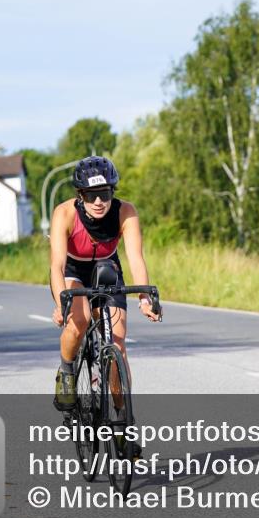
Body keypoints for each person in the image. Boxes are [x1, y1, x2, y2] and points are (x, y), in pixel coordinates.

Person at [50, 156, 160, 412]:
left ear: (113, 191)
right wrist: (61, 304)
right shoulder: (64, 213)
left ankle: (122, 418)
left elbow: (136, 258)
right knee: (79, 321)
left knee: (117, 344)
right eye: (91, 195)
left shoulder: (126, 212)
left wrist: (144, 299)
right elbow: (56, 265)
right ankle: (67, 372)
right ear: (80, 195)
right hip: (73, 270)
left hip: (107, 268)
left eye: (105, 193)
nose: (99, 201)